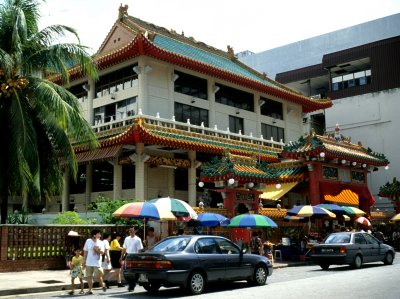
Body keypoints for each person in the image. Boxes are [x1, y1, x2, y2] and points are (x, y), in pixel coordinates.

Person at [83, 229, 107, 294]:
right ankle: (90, 290)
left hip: (97, 262)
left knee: (98, 276)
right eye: (98, 233)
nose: (100, 235)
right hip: (89, 262)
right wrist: (84, 260)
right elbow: (85, 251)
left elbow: (102, 252)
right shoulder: (88, 241)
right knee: (89, 276)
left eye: (100, 233)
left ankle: (103, 285)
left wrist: (97, 250)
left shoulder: (101, 242)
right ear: (94, 235)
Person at [121, 226, 143, 292]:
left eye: (132, 230)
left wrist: (139, 258)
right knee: (125, 271)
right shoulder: (127, 238)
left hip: (135, 256)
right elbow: (124, 248)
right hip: (128, 255)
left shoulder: (138, 239)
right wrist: (121, 257)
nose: (130, 232)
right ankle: (130, 283)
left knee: (135, 272)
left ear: (135, 231)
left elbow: (139, 250)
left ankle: (132, 285)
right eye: (129, 230)